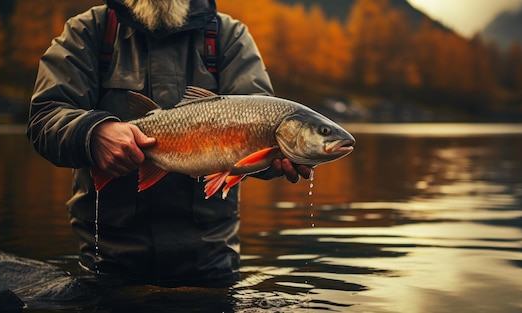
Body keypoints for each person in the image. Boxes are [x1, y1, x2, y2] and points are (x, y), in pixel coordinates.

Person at [26, 0, 311, 288]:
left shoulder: (229, 36)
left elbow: (258, 128)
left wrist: (274, 162)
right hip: (108, 260)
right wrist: (92, 133)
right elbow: (44, 118)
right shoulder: (88, 30)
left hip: (210, 262)